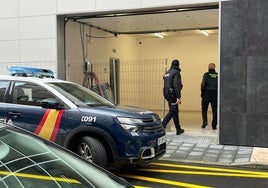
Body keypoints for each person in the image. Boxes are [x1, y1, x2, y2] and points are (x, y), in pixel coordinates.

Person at [162, 59, 184, 135]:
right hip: (172, 94)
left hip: (166, 94)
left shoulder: (167, 73)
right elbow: (176, 85)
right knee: (172, 111)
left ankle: (178, 129)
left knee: (175, 111)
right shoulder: (176, 73)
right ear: (178, 65)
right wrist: (178, 97)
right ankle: (162, 127)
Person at [201, 63, 218, 129]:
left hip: (206, 94)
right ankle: (214, 125)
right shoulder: (218, 75)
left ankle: (205, 122)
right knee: (215, 110)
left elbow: (203, 84)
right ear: (214, 67)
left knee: (204, 109)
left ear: (208, 67)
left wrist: (202, 93)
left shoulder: (206, 74)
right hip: (215, 94)